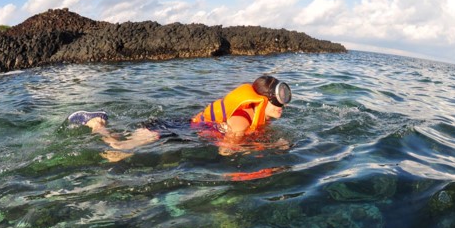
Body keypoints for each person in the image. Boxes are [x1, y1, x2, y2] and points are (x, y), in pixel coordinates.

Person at [67, 75, 292, 161]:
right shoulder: (242, 119)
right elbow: (225, 150)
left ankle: (102, 124)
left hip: (183, 128)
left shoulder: (258, 116)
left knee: (120, 149)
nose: (283, 105)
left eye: (284, 98)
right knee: (118, 151)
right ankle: (95, 122)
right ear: (264, 100)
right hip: (171, 128)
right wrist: (270, 148)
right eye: (278, 100)